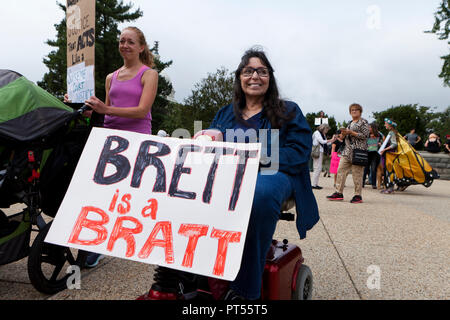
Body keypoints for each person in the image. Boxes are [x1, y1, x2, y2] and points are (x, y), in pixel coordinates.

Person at [144, 48, 319, 300]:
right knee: (178, 186)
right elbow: (213, 147)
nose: (255, 76)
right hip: (228, 175)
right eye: (248, 71)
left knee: (259, 192)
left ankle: (245, 292)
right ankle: (179, 278)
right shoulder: (226, 113)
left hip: (276, 175)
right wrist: (206, 137)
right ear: (240, 77)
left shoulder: (289, 110)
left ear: (270, 77)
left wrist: (256, 153)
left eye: (262, 71)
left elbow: (299, 153)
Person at [79, 26, 159, 267]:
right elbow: (106, 110)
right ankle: (97, 242)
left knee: (127, 194)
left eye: (131, 42)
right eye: (122, 41)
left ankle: (116, 239)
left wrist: (106, 109)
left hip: (136, 138)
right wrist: (92, 108)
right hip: (110, 138)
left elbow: (142, 110)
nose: (125, 45)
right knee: (102, 192)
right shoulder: (110, 77)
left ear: (141, 47)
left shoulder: (149, 74)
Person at [326, 103, 370, 203]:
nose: (354, 111)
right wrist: (343, 134)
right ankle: (338, 192)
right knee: (340, 171)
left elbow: (366, 135)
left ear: (360, 111)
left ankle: (358, 195)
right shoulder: (350, 123)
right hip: (347, 151)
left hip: (358, 151)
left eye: (356, 110)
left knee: (357, 174)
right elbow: (344, 137)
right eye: (352, 110)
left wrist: (351, 133)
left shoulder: (363, 122)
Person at [311, 124, 335, 189]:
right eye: (326, 129)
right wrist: (331, 139)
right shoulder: (317, 133)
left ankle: (315, 184)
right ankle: (313, 184)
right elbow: (321, 141)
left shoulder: (322, 134)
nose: (327, 131)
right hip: (317, 152)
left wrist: (333, 140)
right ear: (323, 128)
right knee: (317, 168)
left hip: (320, 152)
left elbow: (325, 143)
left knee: (318, 168)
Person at [379, 118, 398, 194]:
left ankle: (390, 188)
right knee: (387, 171)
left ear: (390, 125)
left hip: (390, 154)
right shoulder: (391, 132)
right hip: (388, 154)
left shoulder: (392, 133)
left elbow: (394, 144)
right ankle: (387, 187)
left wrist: (384, 149)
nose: (384, 125)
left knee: (389, 171)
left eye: (386, 123)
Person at [363, 122, 383, 189]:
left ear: (373, 128)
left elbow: (381, 142)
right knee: (365, 168)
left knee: (374, 168)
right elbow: (364, 142)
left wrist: (380, 143)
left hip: (375, 153)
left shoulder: (379, 134)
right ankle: (362, 183)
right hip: (367, 152)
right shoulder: (367, 134)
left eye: (370, 127)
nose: (369, 128)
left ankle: (373, 184)